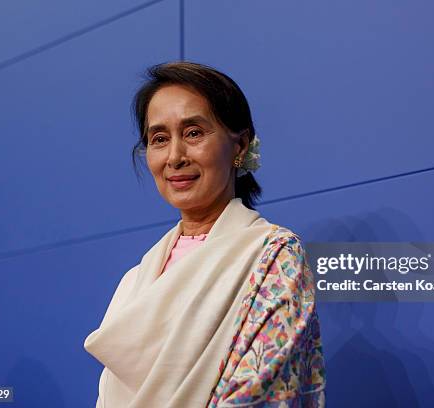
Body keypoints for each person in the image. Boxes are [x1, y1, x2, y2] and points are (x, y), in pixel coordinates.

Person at [84, 61, 326, 407]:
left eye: (194, 133)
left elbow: (262, 392)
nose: (175, 156)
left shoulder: (271, 256)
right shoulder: (134, 283)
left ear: (240, 146)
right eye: (159, 139)